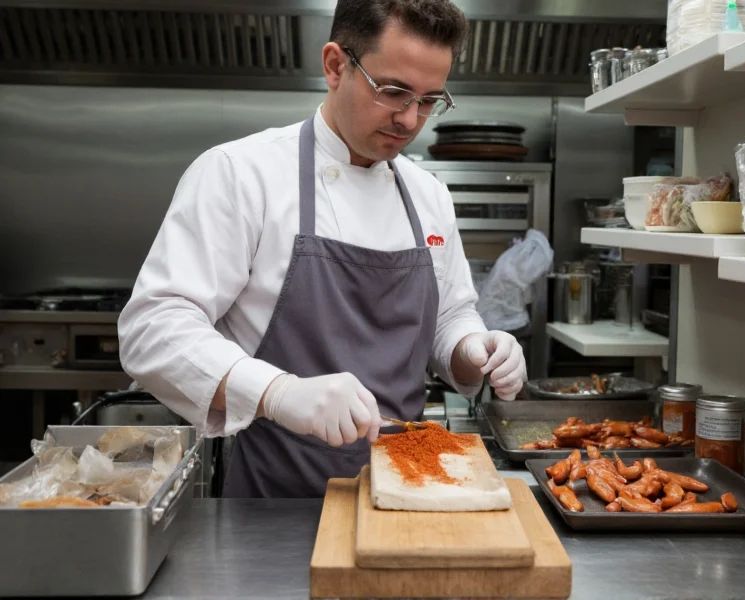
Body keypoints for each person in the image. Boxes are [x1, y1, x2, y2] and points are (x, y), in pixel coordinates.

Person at [117, 0, 527, 498]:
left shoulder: (428, 194)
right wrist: (277, 392)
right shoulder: (240, 173)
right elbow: (153, 329)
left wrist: (474, 349)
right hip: (273, 500)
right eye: (394, 91)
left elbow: (449, 317)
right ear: (335, 65)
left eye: (429, 100)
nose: (410, 118)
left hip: (410, 487)